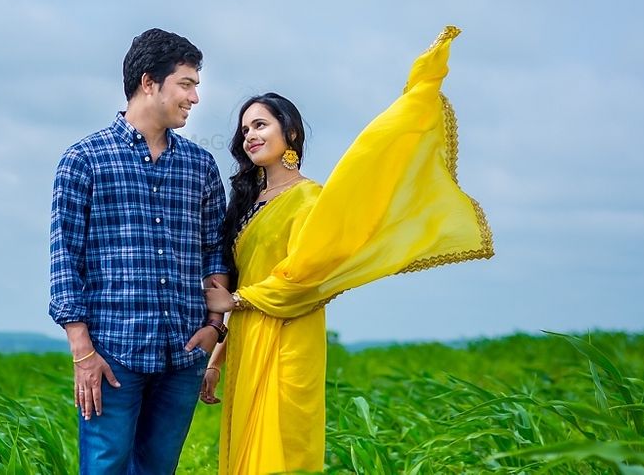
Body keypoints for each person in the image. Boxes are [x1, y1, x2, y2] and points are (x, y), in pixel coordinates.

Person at [202, 26, 494, 474]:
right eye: (244, 130)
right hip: (247, 343)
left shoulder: (311, 200)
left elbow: (306, 281)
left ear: (291, 133)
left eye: (260, 124)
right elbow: (247, 281)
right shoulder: (246, 204)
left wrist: (236, 300)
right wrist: (217, 361)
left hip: (288, 344)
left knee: (281, 457)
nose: (249, 136)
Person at [49, 28, 230, 474]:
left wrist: (214, 327)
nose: (195, 97)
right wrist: (83, 353)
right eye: (186, 84)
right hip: (112, 357)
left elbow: (216, 251)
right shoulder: (84, 160)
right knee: (105, 467)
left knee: (158, 469)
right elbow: (64, 261)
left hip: (183, 354)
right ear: (149, 82)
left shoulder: (199, 165)